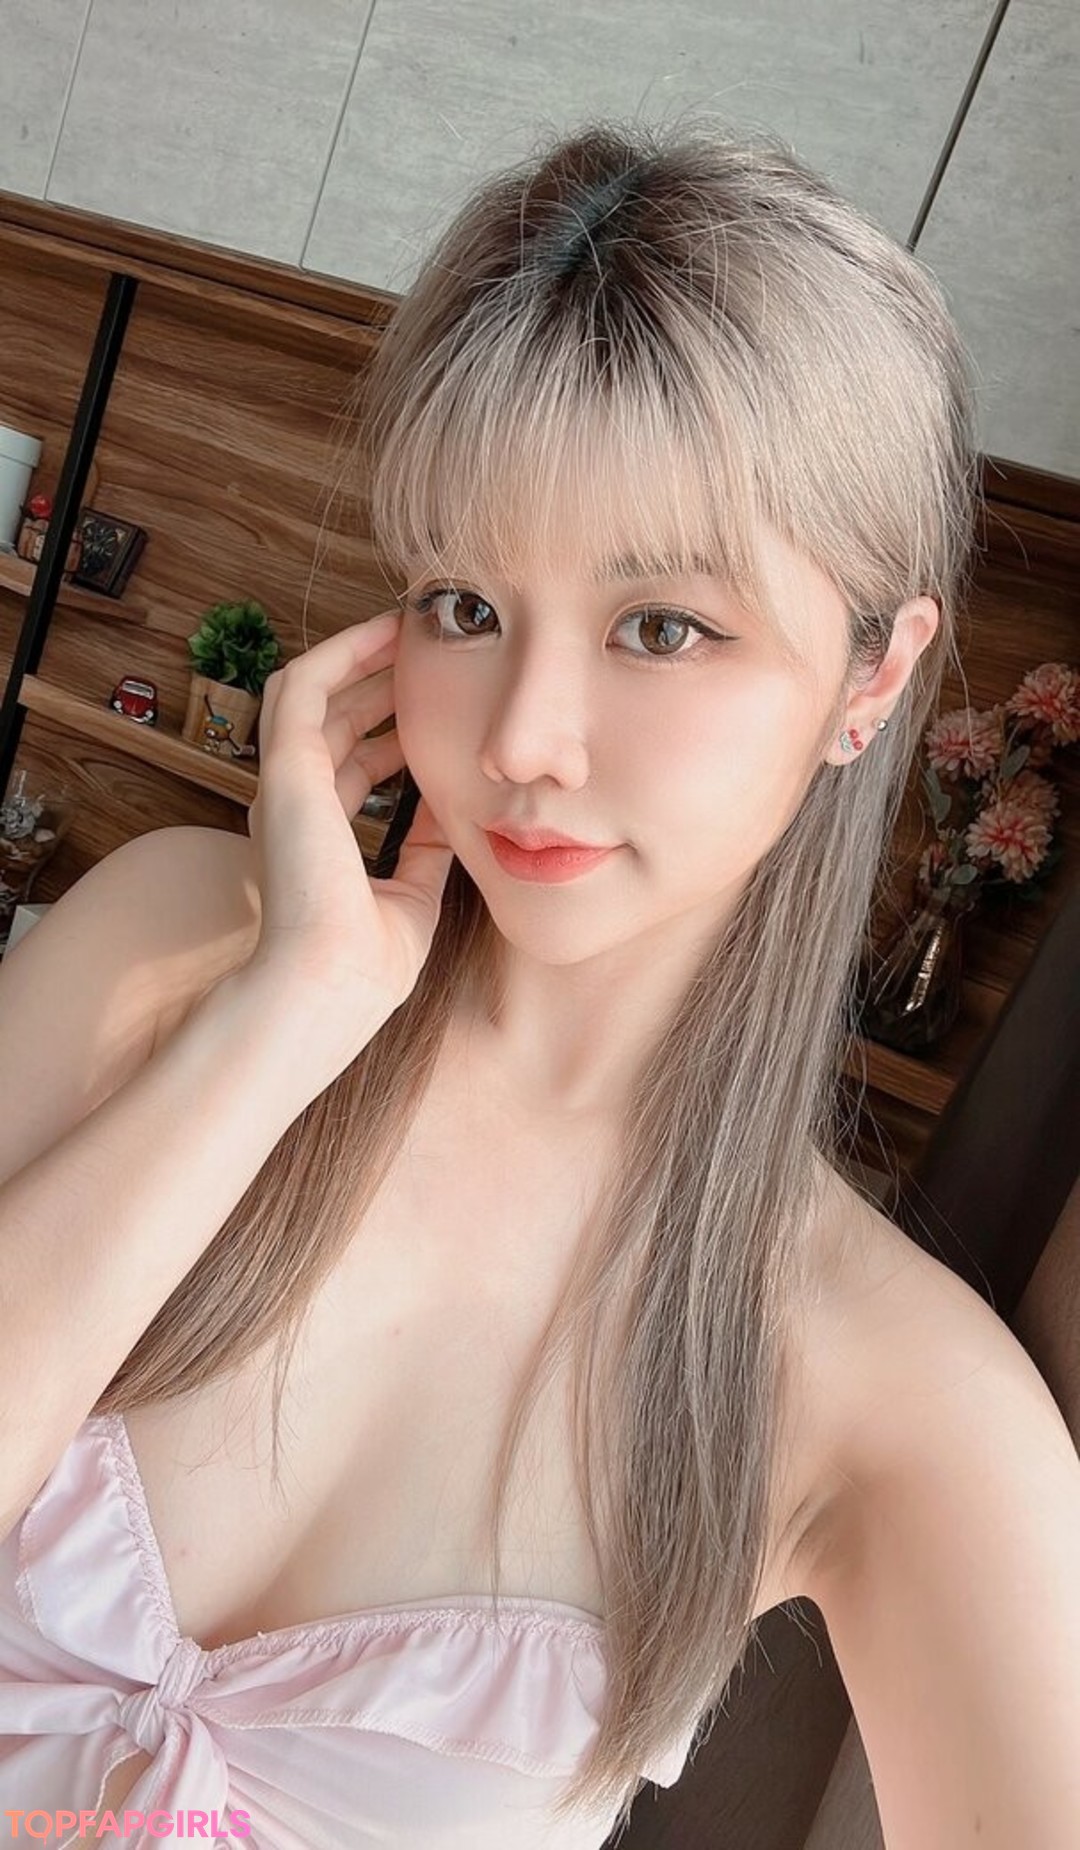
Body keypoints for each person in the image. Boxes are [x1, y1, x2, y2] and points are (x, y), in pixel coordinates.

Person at [1, 116, 1079, 1850]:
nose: (522, 742)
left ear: (873, 677)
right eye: (465, 601)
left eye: (661, 625)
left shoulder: (890, 1391)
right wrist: (280, 1025)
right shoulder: (170, 950)